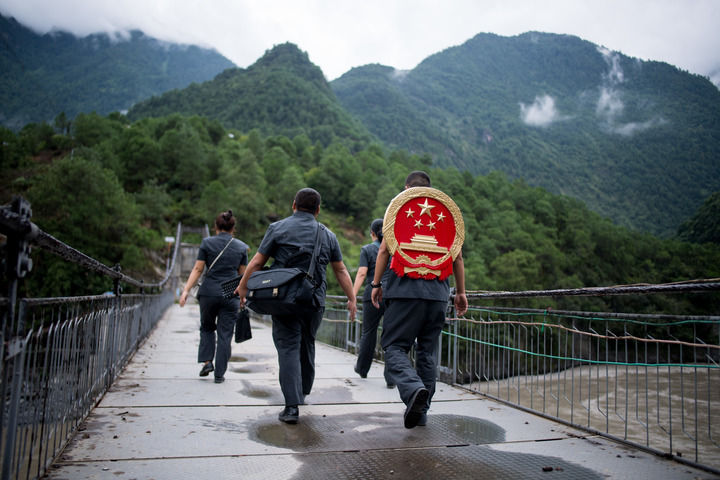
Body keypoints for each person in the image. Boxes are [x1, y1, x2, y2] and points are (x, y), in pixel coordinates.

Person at [235, 188, 357, 424]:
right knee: (307, 342)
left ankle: (292, 407)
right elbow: (341, 270)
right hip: (314, 301)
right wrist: (351, 299)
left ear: (293, 205)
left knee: (288, 346)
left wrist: (242, 287)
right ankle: (304, 390)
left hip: (283, 299)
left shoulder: (277, 228)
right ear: (318, 210)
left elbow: (257, 262)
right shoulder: (328, 235)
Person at [371, 171, 468, 428]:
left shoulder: (399, 208)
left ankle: (413, 390)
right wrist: (460, 292)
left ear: (406, 188)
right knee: (427, 352)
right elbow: (457, 257)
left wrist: (376, 284)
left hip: (404, 292)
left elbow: (384, 250)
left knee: (394, 347)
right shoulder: (444, 212)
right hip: (438, 295)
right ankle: (421, 411)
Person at [180, 210, 249, 384]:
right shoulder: (241, 247)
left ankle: (207, 362)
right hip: (230, 294)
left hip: (209, 293)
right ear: (233, 228)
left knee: (207, 327)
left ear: (215, 226)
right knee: (225, 334)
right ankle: (219, 374)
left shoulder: (207, 243)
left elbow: (198, 269)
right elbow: (242, 276)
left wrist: (186, 290)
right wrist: (243, 297)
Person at [352, 218, 393, 388]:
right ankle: (391, 378)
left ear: (373, 233)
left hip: (372, 294)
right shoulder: (394, 249)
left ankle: (362, 369)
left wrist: (352, 296)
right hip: (392, 294)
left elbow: (362, 273)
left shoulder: (367, 249)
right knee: (392, 334)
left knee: (369, 331)